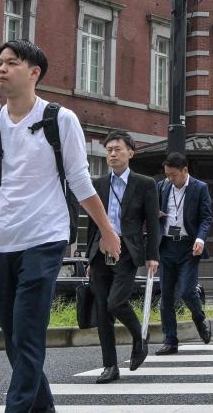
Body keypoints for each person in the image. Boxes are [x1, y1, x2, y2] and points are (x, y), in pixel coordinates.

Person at [0, 40, 121, 413]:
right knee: (15, 338)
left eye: (12, 63)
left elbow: (80, 181)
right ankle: (43, 408)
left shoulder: (60, 120)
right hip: (0, 241)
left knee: (28, 334)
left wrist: (107, 231)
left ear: (34, 73)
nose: (1, 69)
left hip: (45, 237)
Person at [88, 130, 160, 384]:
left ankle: (140, 336)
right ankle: (110, 366)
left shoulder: (145, 184)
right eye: (109, 150)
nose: (113, 154)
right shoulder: (97, 184)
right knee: (102, 311)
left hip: (128, 251)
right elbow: (92, 223)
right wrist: (89, 258)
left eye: (118, 149)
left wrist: (152, 255)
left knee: (116, 302)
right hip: (100, 253)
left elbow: (153, 222)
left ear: (130, 152)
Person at [155, 151, 212, 355]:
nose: (170, 178)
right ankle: (170, 339)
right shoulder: (162, 187)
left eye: (173, 175)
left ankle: (199, 317)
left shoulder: (200, 188)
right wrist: (156, 214)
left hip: (189, 247)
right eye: (167, 175)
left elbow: (206, 218)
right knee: (166, 296)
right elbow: (153, 213)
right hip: (167, 246)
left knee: (188, 291)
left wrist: (200, 239)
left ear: (185, 170)